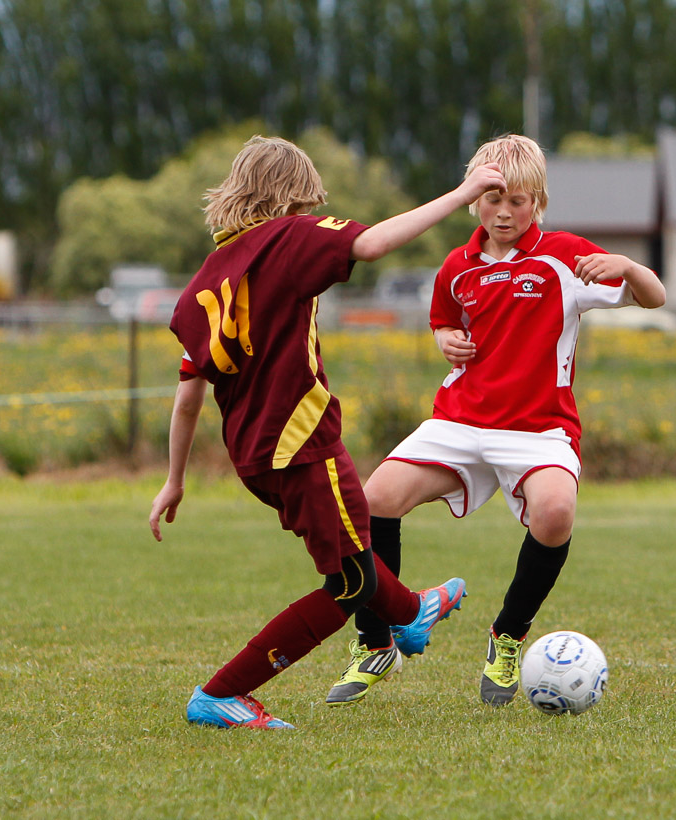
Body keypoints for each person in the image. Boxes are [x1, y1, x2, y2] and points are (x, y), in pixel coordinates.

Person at [149, 135, 507, 729]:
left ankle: (412, 613)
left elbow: (189, 397)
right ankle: (221, 693)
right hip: (300, 441)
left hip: (254, 455)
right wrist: (462, 192)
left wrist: (174, 480)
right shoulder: (290, 236)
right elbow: (373, 243)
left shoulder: (205, 282)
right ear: (292, 196)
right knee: (350, 582)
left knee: (353, 553)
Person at [325, 134, 666, 707]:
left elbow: (654, 299)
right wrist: (444, 338)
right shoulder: (456, 266)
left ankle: (507, 637)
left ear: (538, 203)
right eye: (492, 199)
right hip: (460, 421)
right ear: (474, 200)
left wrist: (629, 266)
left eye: (517, 201)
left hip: (539, 429)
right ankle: (376, 641)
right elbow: (443, 319)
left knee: (555, 513)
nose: (504, 212)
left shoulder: (564, 256)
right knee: (374, 499)